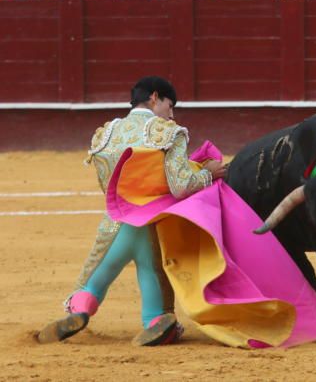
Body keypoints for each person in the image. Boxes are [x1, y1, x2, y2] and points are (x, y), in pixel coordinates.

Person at [37, 76, 226, 345]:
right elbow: (180, 185)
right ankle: (155, 320)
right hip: (152, 221)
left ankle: (80, 307)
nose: (171, 114)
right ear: (154, 97)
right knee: (149, 268)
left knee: (100, 275)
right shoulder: (168, 132)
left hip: (114, 222)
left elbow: (107, 185)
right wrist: (207, 174)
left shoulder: (106, 133)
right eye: (169, 105)